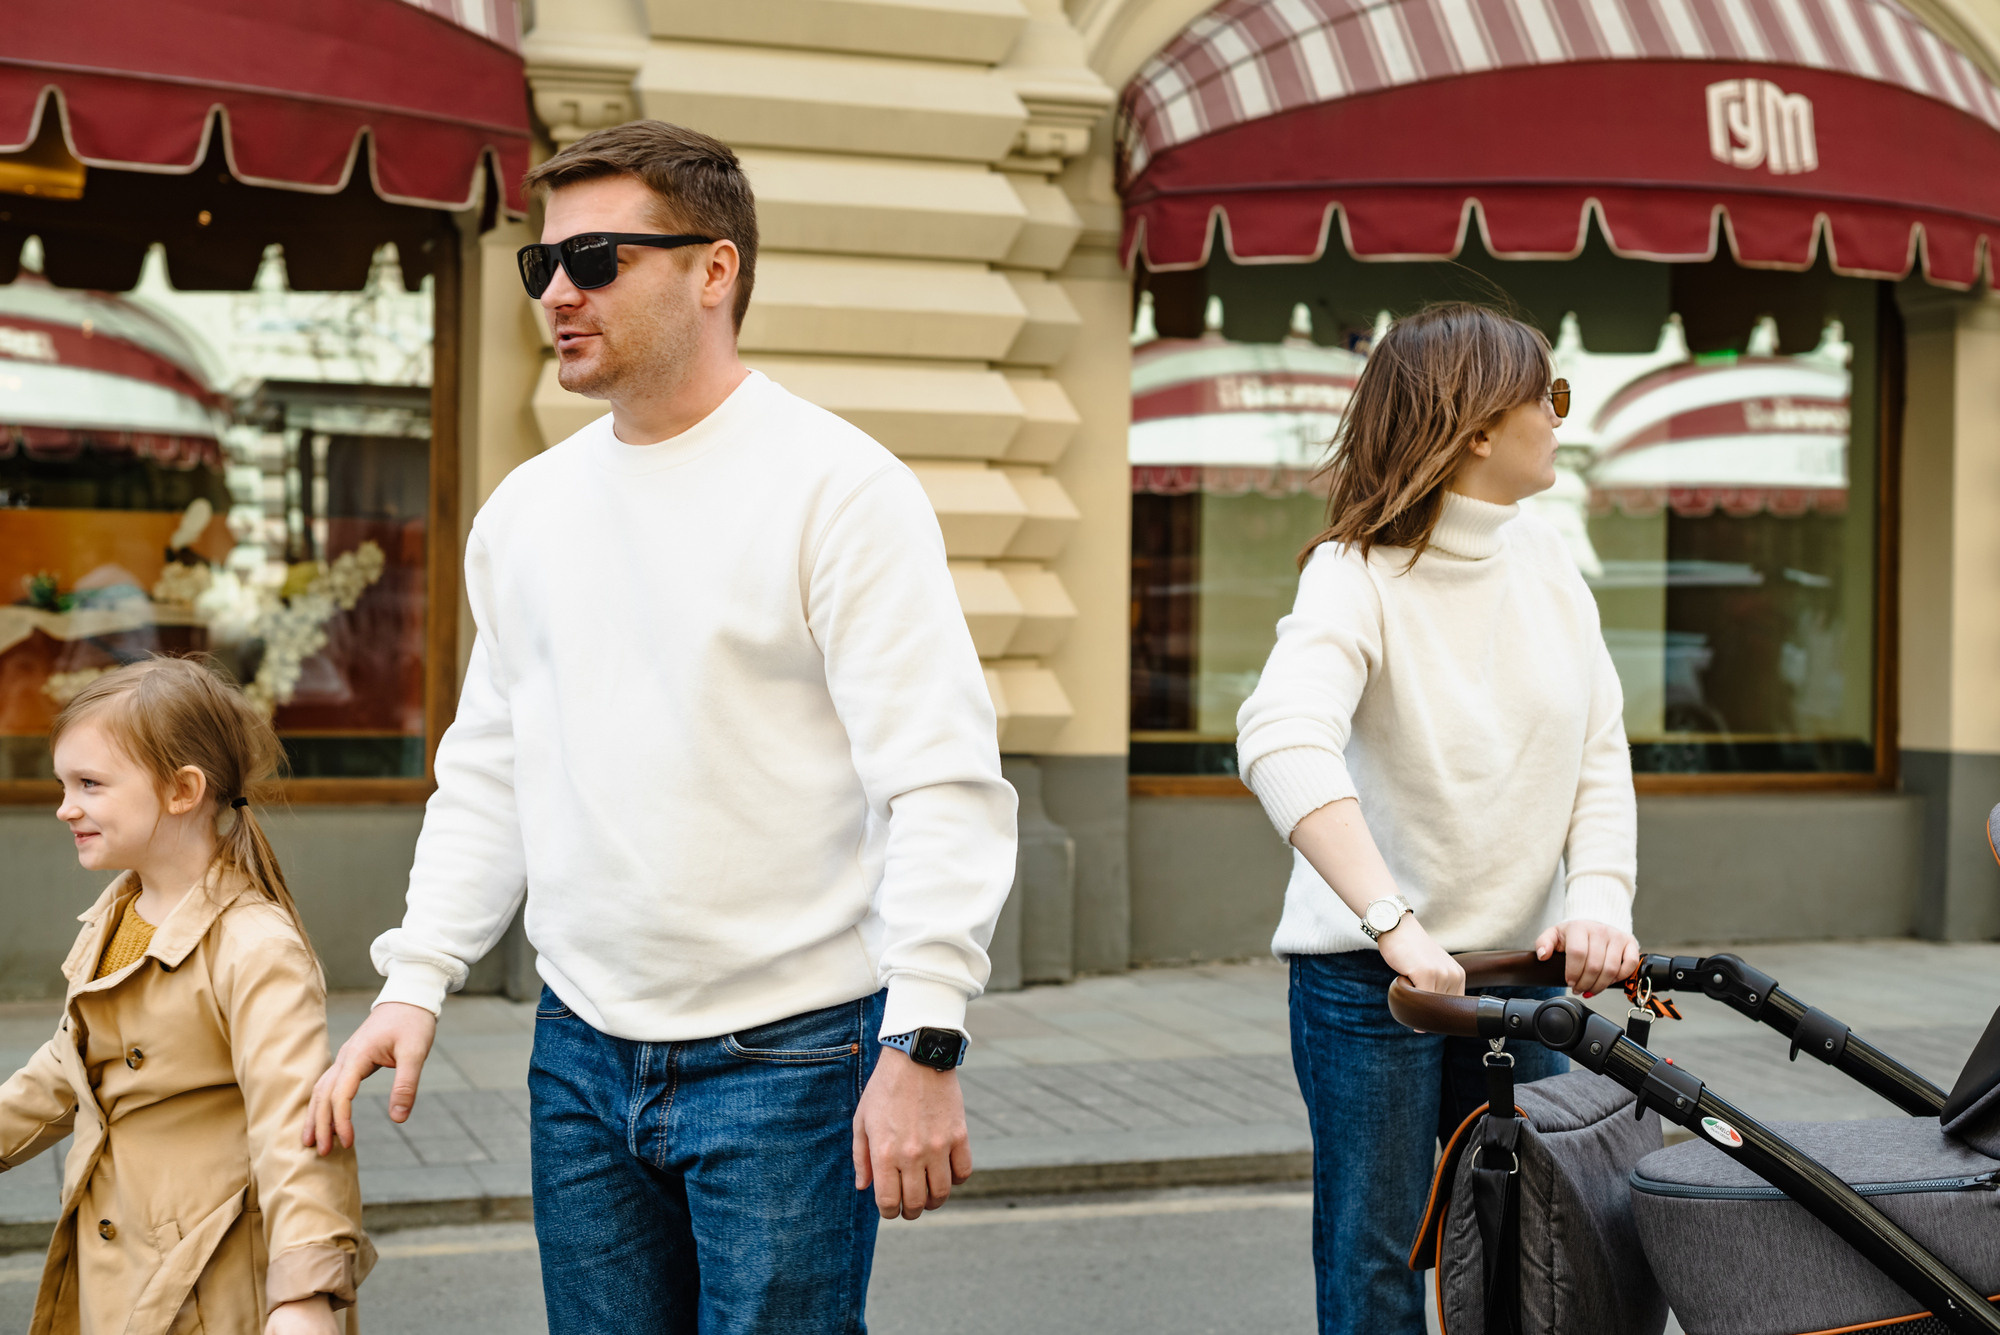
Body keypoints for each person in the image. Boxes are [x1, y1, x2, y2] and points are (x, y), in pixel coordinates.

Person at [302, 119, 1016, 1333]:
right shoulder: (525, 513)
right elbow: (489, 771)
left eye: (597, 262)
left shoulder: (839, 489)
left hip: (790, 1060)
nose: (558, 294)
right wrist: (414, 981)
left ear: (713, 269)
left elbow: (938, 781)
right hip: (578, 1052)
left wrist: (924, 1040)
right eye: (543, 266)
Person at [1235, 303, 1643, 1335]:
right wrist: (1392, 924)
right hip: (1368, 981)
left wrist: (1597, 899)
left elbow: (1596, 746)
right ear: (1472, 429)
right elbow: (1278, 741)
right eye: (1545, 398)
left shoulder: (1547, 557)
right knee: (1374, 1257)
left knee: (1531, 1240)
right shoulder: (1354, 574)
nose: (1561, 417)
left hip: (1515, 973)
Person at [0, 656, 373, 1335]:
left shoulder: (255, 945)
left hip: (205, 1289)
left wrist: (304, 1293)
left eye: (90, 783)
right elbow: (69, 1065)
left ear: (181, 789)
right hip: (116, 1273)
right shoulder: (118, 912)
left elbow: (297, 1127)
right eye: (63, 783)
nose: (65, 805)